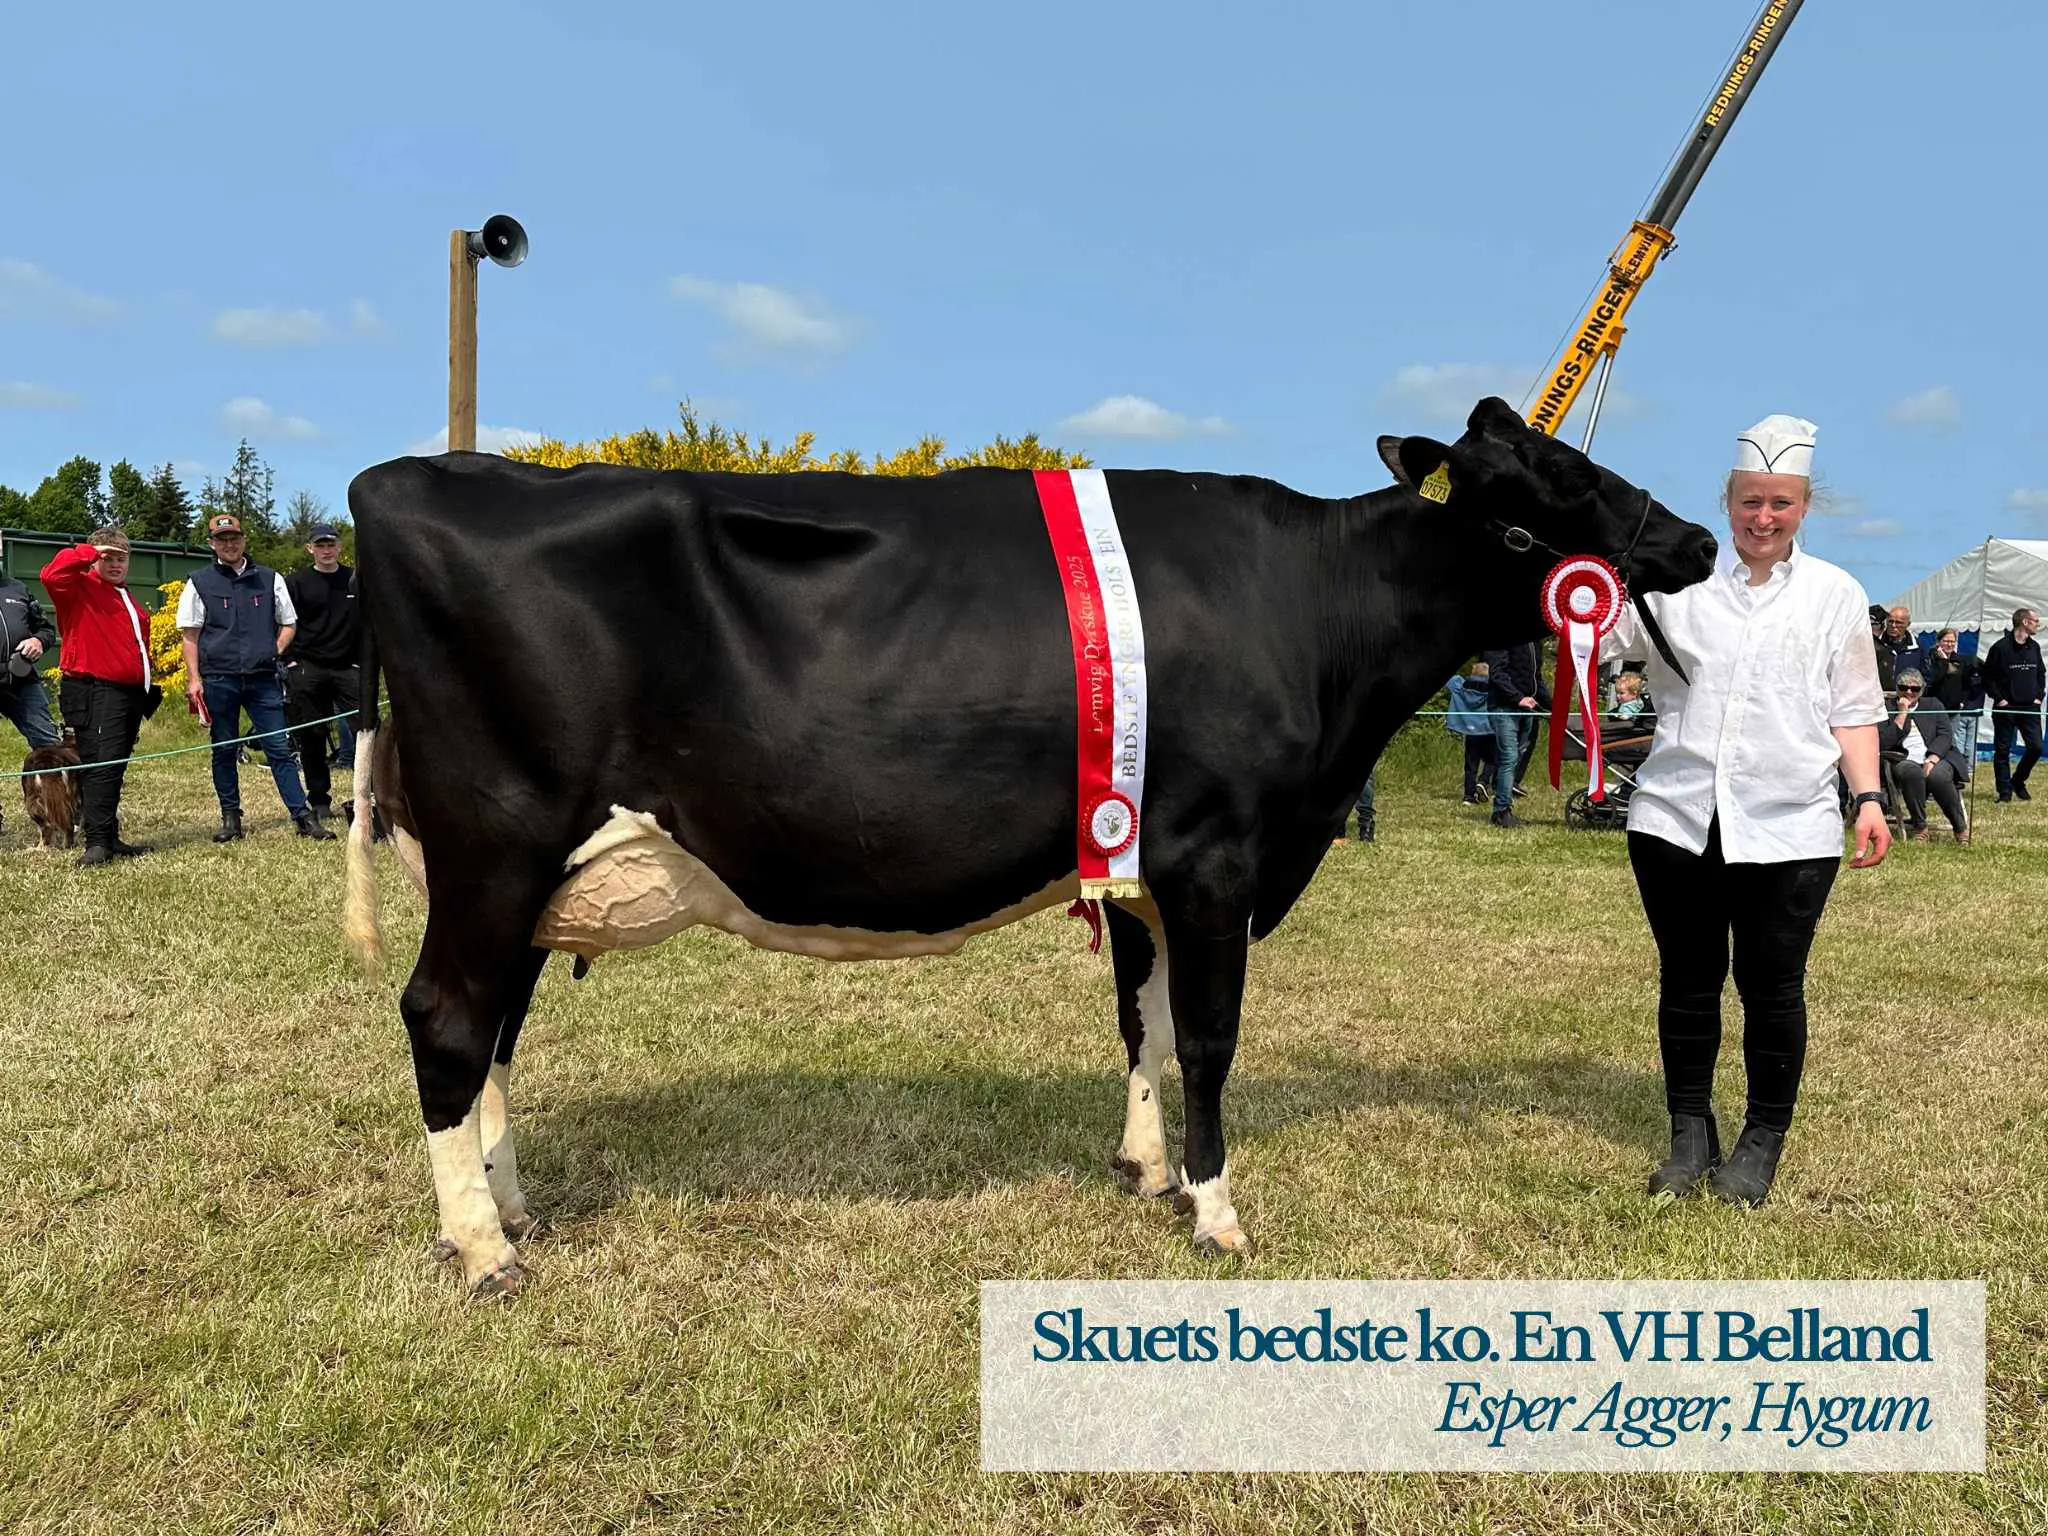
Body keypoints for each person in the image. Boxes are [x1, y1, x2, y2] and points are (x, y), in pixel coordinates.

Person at [1610, 414, 1889, 1208]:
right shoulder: (1678, 583)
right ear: (1727, 500)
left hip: (1791, 825)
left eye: (1780, 503)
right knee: (1688, 981)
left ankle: (1762, 1137)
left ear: (1804, 506)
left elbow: (1853, 708)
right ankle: (1688, 1133)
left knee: (1772, 987)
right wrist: (1582, 589)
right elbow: (1600, 635)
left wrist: (1870, 797)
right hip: (1675, 817)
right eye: (1750, 502)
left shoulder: (1836, 594)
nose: (1763, 518)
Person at [176, 512, 336, 842]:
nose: (229, 544)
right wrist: (194, 679)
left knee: (278, 748)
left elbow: (289, 623)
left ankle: (302, 817)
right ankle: (230, 818)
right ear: (212, 544)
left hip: (263, 679)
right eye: (222, 540)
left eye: (234, 538)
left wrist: (272, 651)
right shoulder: (199, 582)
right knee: (224, 750)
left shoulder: (269, 578)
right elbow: (190, 635)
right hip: (219, 678)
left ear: (243, 540)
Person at [39, 527, 158, 866]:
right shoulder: (78, 588)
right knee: (102, 764)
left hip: (127, 693)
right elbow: (51, 574)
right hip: (95, 690)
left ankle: (108, 834)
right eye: (108, 558)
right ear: (94, 560)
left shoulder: (124, 595)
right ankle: (96, 843)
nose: (116, 564)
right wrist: (90, 551)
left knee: (114, 765)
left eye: (122, 558)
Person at [282, 524, 359, 833]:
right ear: (310, 548)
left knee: (367, 730)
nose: (326, 550)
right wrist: (289, 660)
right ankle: (319, 799)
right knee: (312, 735)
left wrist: (364, 661)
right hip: (308, 667)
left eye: (331, 544)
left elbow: (370, 619)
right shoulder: (296, 583)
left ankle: (371, 795)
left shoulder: (355, 579)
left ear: (339, 547)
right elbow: (283, 621)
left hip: (348, 667)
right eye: (320, 545)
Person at [1880, 669, 1970, 844]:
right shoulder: (1887, 708)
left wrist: (1932, 758)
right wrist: (1902, 714)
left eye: (1915, 689)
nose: (1909, 692)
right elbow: (1884, 741)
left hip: (1937, 756)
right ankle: (1920, 827)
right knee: (1912, 772)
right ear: (1897, 688)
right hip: (1902, 758)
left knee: (1938, 776)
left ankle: (1960, 828)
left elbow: (1945, 734)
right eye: (1903, 687)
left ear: (1922, 690)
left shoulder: (1933, 705)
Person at [0, 530, 61, 750]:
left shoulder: (18, 589)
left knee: (51, 747)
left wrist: (38, 641)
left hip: (21, 679)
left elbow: (46, 629)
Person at [1981, 607, 2042, 802]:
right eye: (2035, 621)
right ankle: (2004, 793)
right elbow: (1987, 677)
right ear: (2024, 622)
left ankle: (2017, 781)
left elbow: (2041, 673)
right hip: (2006, 708)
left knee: (2036, 747)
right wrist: (1999, 698)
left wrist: (2039, 696)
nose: (2038, 624)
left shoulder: (2034, 647)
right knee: (2002, 750)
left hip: (2030, 707)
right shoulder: (2000, 648)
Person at [1445, 663, 1497, 805]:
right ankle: (1483, 781)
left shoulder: (1460, 685)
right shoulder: (1493, 687)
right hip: (1488, 730)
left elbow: (1448, 679)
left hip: (1470, 731)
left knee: (1470, 765)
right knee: (1494, 760)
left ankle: (1469, 796)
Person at [1922, 628, 1982, 716]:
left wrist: (1962, 701)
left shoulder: (1960, 661)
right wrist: (1944, 661)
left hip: (1954, 711)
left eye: (1952, 641)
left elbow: (1966, 684)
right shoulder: (1930, 659)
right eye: (1946, 641)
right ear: (1938, 642)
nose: (1949, 644)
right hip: (1933, 710)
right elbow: (1935, 679)